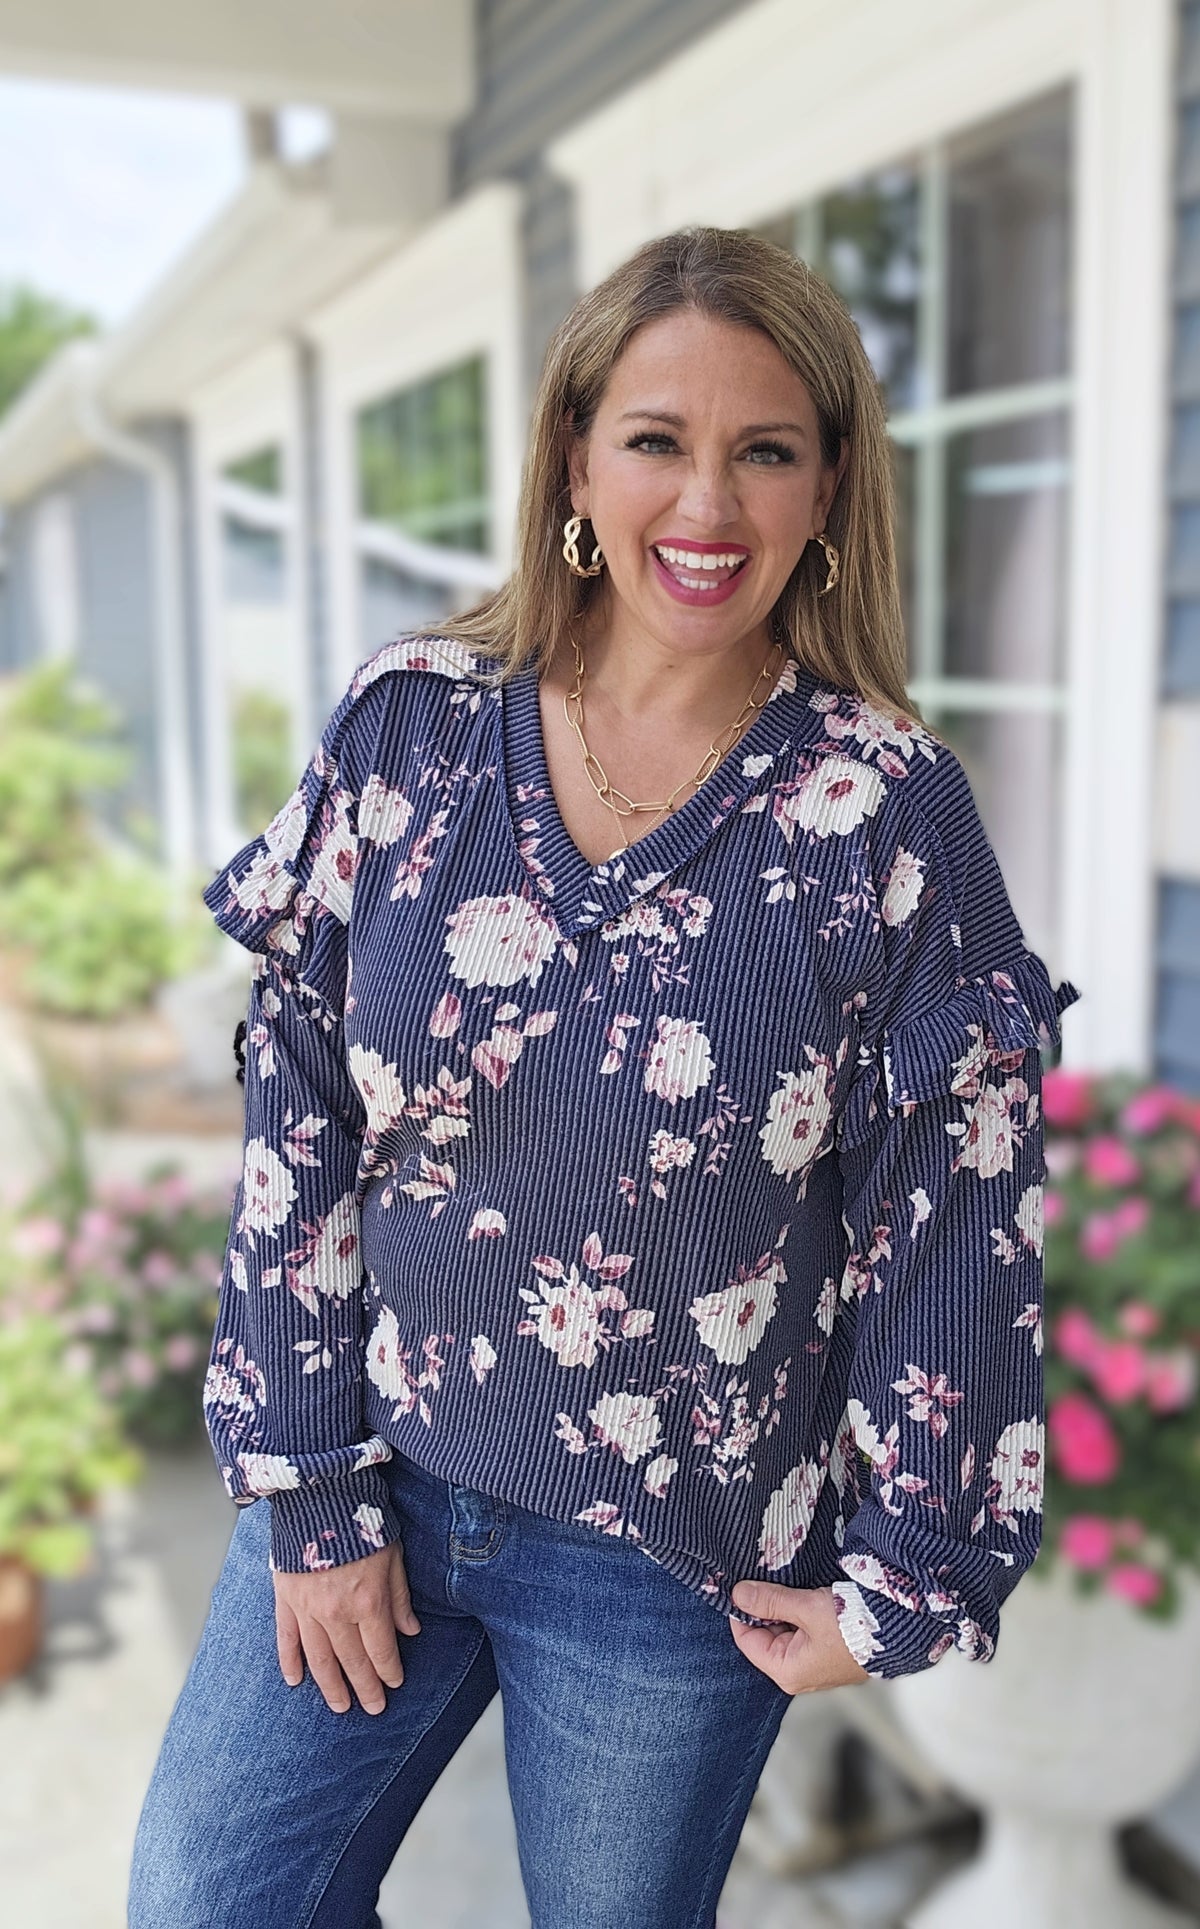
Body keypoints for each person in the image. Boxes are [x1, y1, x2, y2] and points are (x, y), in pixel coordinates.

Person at [127, 225, 1080, 1929]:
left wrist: (911, 1569)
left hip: (673, 1563)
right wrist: (311, 1477)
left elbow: (957, 1198)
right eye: (656, 439)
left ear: (828, 487)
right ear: (576, 456)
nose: (705, 504)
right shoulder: (409, 724)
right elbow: (300, 1109)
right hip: (384, 1474)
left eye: (764, 449)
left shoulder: (884, 814)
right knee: (211, 1902)